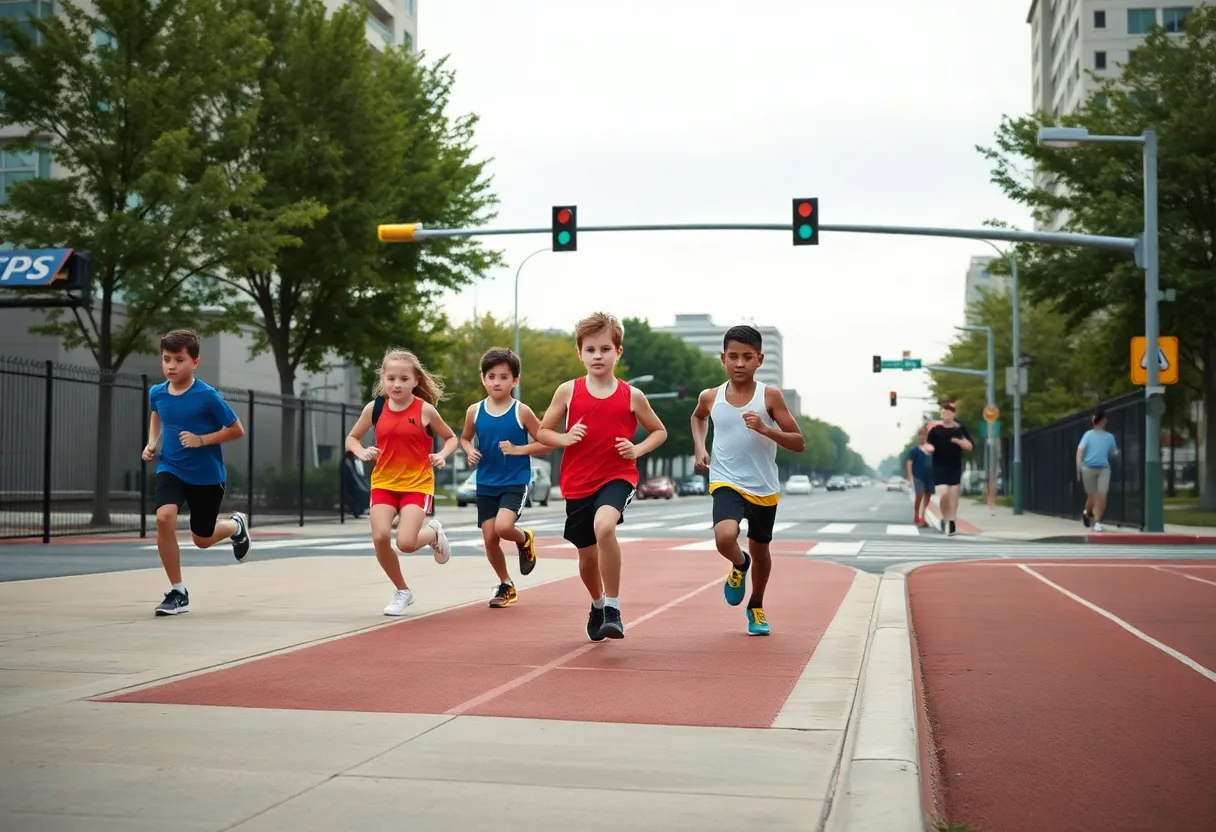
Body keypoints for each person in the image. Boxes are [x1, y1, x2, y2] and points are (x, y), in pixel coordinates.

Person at [536, 312, 668, 641]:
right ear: (579, 353)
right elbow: (543, 431)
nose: (598, 355)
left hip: (617, 475)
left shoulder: (632, 395)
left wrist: (637, 450)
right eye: (591, 349)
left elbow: (659, 431)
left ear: (617, 353)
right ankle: (596, 604)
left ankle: (613, 607)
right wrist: (564, 438)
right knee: (586, 557)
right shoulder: (568, 391)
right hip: (577, 483)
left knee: (604, 526)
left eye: (605, 349)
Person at [690, 325, 805, 636]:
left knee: (762, 548)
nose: (739, 363)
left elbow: (798, 441)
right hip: (724, 478)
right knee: (725, 536)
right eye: (733, 356)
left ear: (760, 359)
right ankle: (740, 564)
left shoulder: (769, 396)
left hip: (763, 486)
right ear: (722, 359)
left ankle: (756, 604)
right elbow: (698, 417)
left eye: (747, 357)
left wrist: (766, 429)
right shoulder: (711, 396)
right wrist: (700, 447)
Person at [141, 329, 251, 616]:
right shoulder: (158, 392)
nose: (171, 366)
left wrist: (202, 440)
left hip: (207, 476)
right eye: (166, 359)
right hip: (172, 467)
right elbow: (157, 414)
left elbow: (236, 430)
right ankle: (178, 590)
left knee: (202, 539)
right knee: (164, 517)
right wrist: (153, 442)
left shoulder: (207, 396)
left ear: (195, 362)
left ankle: (236, 526)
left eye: (179, 359)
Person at [344, 348, 457, 616]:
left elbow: (451, 438)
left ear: (415, 381)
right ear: (383, 379)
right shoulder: (375, 408)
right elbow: (352, 439)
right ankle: (402, 591)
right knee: (381, 537)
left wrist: (441, 455)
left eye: (404, 379)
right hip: (383, 482)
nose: (397, 384)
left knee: (406, 543)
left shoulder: (425, 411)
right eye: (391, 378)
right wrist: (361, 452)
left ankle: (433, 533)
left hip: (417, 484)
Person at [460, 347, 550, 608]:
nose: (496, 382)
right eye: (491, 376)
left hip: (514, 480)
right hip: (486, 482)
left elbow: (546, 442)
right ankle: (506, 585)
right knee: (489, 539)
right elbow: (464, 438)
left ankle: (525, 539)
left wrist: (519, 449)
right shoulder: (474, 411)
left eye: (503, 376)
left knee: (503, 527)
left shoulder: (522, 411)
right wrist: (469, 451)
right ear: (482, 378)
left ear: (515, 380)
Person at [924, 400, 973, 536]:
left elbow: (969, 446)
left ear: (953, 414)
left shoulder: (960, 429)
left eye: (948, 412)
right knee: (943, 493)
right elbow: (927, 445)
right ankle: (945, 517)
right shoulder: (935, 430)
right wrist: (929, 448)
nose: (944, 414)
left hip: (955, 465)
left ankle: (951, 521)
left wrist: (957, 441)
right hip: (939, 465)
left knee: (953, 495)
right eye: (943, 412)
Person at [1076, 408, 1119, 532]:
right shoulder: (1088, 435)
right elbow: (1080, 451)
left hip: (1103, 469)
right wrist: (1078, 467)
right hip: (1088, 468)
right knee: (1092, 497)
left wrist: (1116, 453)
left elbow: (1113, 451)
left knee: (1102, 494)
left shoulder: (1109, 437)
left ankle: (1098, 522)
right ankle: (1087, 513)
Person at [904, 424, 935, 527]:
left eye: (924, 435)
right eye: (920, 435)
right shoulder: (915, 450)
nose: (922, 437)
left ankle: (923, 516)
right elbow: (909, 463)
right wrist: (909, 475)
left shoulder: (932, 449)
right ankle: (916, 514)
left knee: (927, 496)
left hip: (930, 477)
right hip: (918, 476)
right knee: (919, 494)